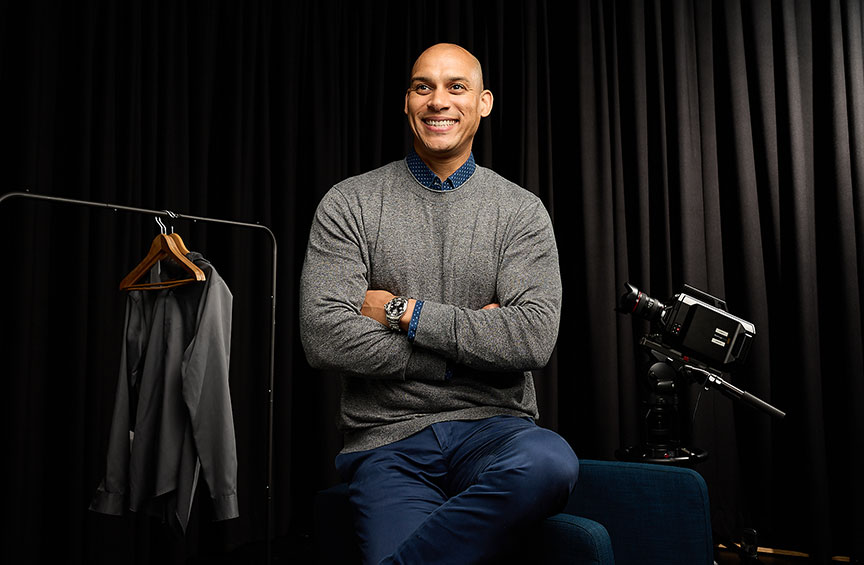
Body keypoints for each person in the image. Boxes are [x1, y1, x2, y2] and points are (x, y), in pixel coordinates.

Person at [300, 43, 579, 564]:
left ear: (484, 103)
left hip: (497, 431)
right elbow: (323, 335)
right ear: (407, 103)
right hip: (388, 444)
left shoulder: (521, 212)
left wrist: (399, 311)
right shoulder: (349, 203)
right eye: (422, 86)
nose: (438, 101)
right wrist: (467, 350)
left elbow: (531, 338)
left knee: (551, 464)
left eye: (457, 87)